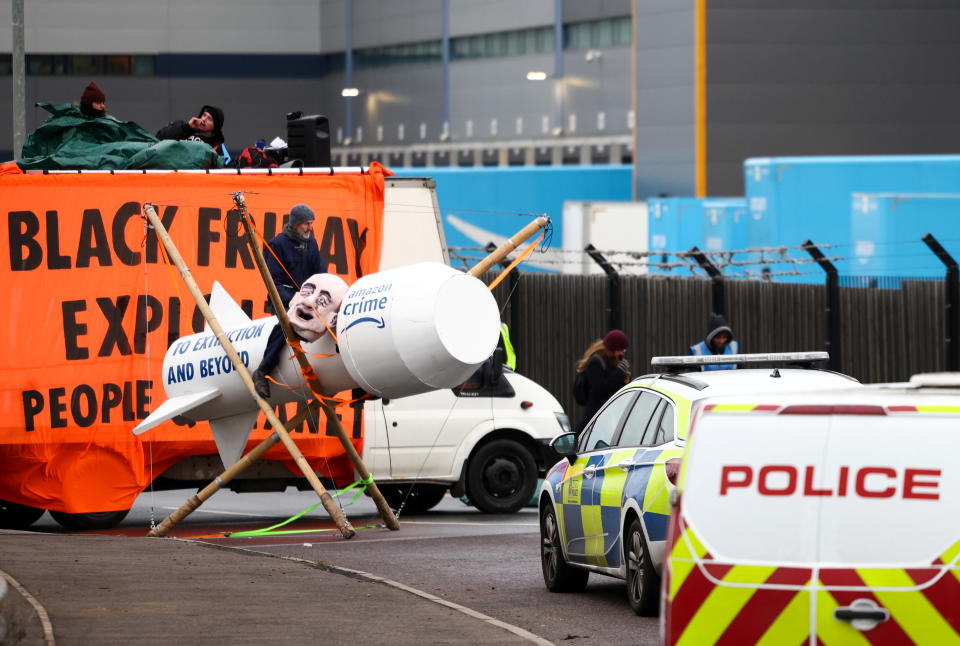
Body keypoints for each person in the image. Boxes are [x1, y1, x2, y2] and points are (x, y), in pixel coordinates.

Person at [251, 204, 328, 398]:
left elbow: (320, 273)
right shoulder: (277, 244)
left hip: (308, 299)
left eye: (311, 223)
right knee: (287, 325)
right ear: (295, 224)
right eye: (306, 224)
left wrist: (324, 292)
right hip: (284, 300)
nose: (310, 227)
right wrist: (291, 300)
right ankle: (262, 372)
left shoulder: (312, 243)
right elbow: (272, 281)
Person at [574, 329, 631, 435]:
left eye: (624, 350)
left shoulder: (612, 362)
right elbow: (600, 388)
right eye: (621, 349)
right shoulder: (595, 362)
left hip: (610, 413)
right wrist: (619, 372)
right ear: (613, 348)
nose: (622, 353)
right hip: (596, 413)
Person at [156, 105, 226, 156]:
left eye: (209, 119)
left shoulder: (217, 145)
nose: (204, 119)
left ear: (215, 127)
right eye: (204, 115)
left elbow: (228, 166)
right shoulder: (182, 127)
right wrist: (187, 127)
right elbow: (159, 138)